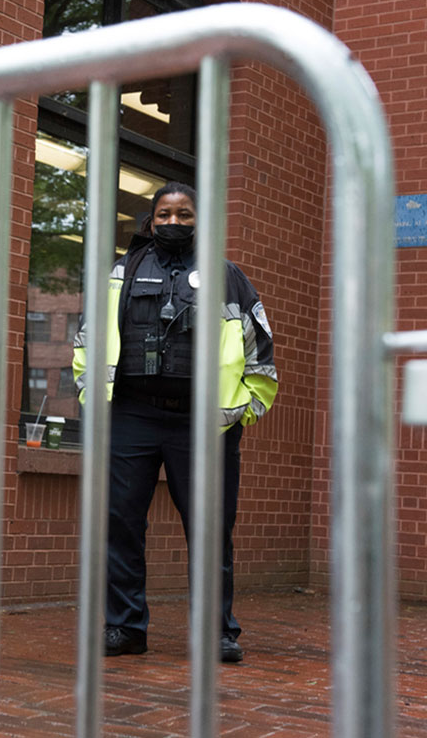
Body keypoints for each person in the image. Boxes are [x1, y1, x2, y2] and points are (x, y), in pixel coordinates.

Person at [71, 182, 277, 663]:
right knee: (120, 523)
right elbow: (87, 338)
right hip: (130, 416)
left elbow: (259, 350)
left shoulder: (228, 277)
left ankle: (216, 633)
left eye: (184, 214)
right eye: (164, 214)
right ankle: (125, 628)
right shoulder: (122, 273)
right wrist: (91, 396)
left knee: (210, 528)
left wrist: (241, 411)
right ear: (150, 220)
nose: (173, 223)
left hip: (204, 424)